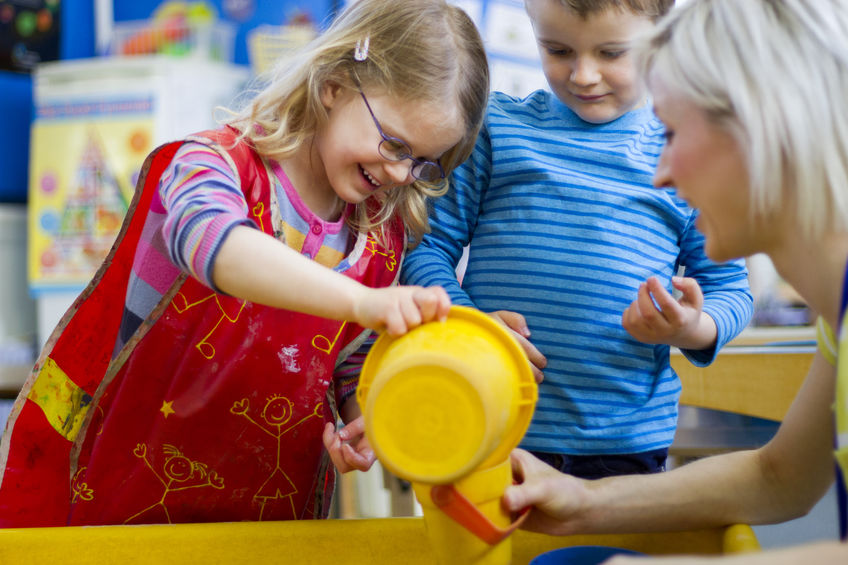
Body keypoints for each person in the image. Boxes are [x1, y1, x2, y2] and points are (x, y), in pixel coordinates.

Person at [0, 0, 489, 527]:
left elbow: (346, 359)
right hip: (123, 505)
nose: (400, 173)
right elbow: (215, 246)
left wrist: (362, 416)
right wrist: (363, 301)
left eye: (423, 163)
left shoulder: (379, 240)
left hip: (266, 522)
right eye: (394, 143)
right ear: (335, 85)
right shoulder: (210, 166)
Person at [503, 0, 848, 562]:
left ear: (759, 129)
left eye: (671, 132)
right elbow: (779, 477)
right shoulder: (839, 322)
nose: (660, 172)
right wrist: (584, 502)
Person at [400, 0, 753, 479]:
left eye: (612, 53)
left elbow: (731, 288)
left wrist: (692, 329)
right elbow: (426, 248)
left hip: (623, 443)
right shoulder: (497, 131)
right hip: (488, 421)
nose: (584, 75)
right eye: (558, 49)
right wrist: (468, 324)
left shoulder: (683, 154)